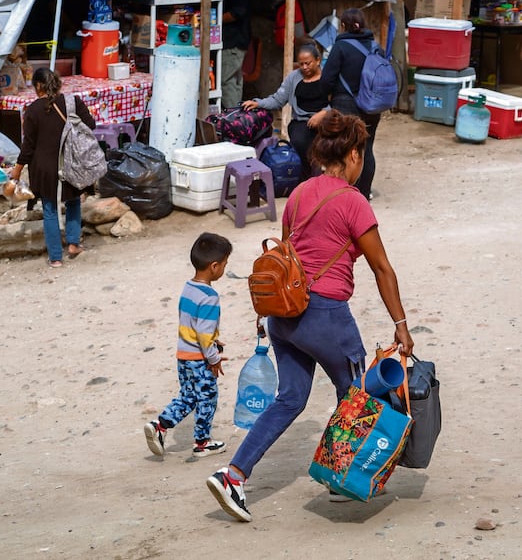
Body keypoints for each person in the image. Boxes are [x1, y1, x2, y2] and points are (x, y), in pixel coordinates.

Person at [206, 110, 414, 523]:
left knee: (290, 398)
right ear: (353, 155)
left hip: (285, 316)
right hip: (326, 315)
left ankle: (233, 475)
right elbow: (382, 268)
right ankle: (345, 478)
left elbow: (286, 257)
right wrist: (401, 327)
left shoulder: (300, 193)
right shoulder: (353, 201)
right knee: (358, 395)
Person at [144, 232, 232, 459]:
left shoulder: (189, 287)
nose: (224, 268)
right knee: (208, 397)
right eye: (224, 264)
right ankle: (202, 442)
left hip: (183, 355)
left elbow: (191, 323)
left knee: (189, 396)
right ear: (214, 266)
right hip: (200, 359)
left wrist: (213, 340)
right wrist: (213, 358)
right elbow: (203, 333)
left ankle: (160, 425)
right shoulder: (210, 296)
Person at [9, 68, 94, 267]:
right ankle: (73, 244)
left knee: (50, 209)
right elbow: (90, 125)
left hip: (45, 169)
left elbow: (28, 147)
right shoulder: (73, 103)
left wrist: (17, 170)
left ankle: (55, 258)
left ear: (38, 86)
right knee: (73, 201)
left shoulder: (33, 110)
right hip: (71, 163)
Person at [319, 8, 382, 200]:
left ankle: (345, 192)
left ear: (343, 26)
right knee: (366, 148)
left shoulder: (341, 47)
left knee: (345, 149)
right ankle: (364, 193)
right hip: (372, 106)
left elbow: (327, 80)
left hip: (346, 105)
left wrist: (324, 100)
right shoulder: (374, 46)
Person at [242, 43, 329, 179]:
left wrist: (324, 113)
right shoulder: (293, 78)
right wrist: (258, 103)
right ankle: (306, 179)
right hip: (302, 122)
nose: (304, 67)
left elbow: (337, 102)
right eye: (301, 64)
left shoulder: (328, 76)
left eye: (308, 63)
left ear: (317, 60)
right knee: (300, 141)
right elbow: (278, 100)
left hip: (326, 120)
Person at [218, 0, 250, 109]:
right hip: (239, 41)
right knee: (235, 81)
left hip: (233, 41)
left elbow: (239, 11)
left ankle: (232, 117)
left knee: (225, 81)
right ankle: (238, 114)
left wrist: (214, 21)